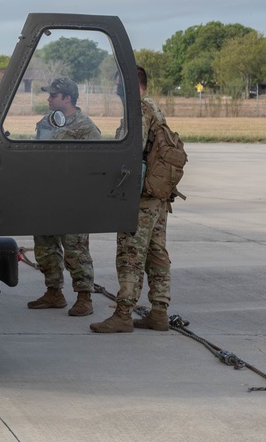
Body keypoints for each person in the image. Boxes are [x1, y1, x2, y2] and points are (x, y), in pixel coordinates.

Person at [91, 66, 172, 333]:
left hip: (141, 198)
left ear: (132, 83)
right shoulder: (154, 108)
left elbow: (130, 153)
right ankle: (159, 312)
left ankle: (123, 313)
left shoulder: (138, 110)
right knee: (156, 252)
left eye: (118, 83)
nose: (116, 88)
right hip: (158, 196)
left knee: (130, 253)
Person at [28, 77, 101, 317]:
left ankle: (84, 296)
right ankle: (54, 292)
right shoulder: (46, 122)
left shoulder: (85, 127)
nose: (48, 98)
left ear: (67, 98)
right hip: (47, 195)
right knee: (45, 246)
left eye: (53, 95)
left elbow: (97, 164)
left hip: (73, 198)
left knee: (75, 249)